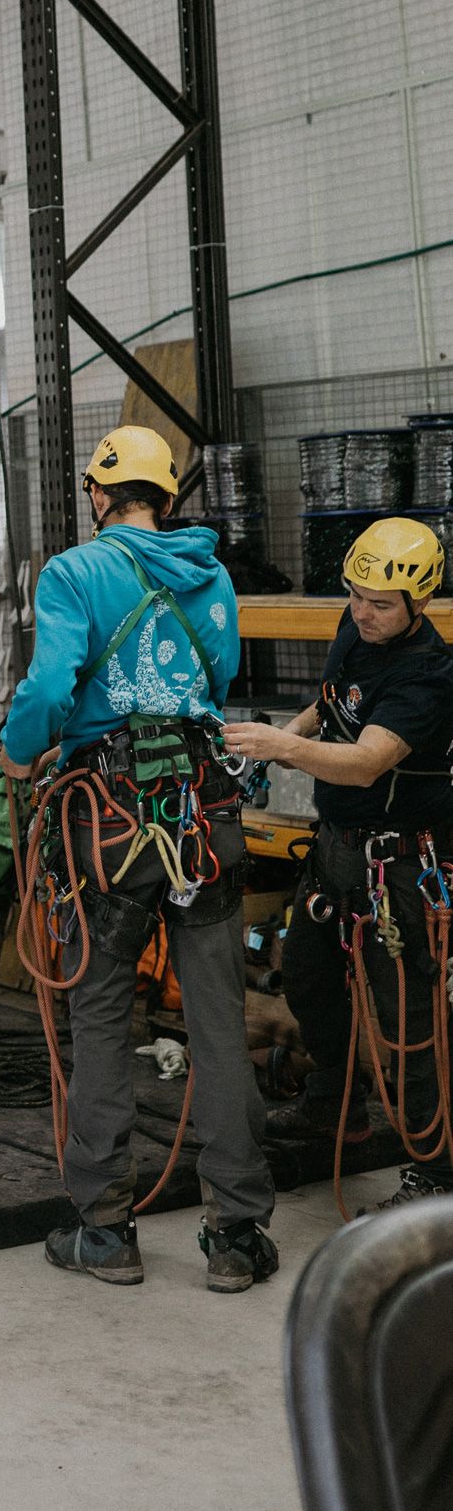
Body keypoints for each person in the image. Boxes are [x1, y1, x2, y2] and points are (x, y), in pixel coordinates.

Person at [0, 425, 277, 1294]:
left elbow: (48, 686)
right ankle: (236, 1234)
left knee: (104, 1020)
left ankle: (105, 1231)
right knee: (218, 1025)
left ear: (99, 494)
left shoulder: (76, 572)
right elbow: (217, 677)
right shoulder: (214, 575)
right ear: (166, 497)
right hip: (201, 813)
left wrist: (17, 751)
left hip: (106, 825)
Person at [229, 517, 453, 1207]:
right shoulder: (356, 632)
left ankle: (436, 1174)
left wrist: (278, 747)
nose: (361, 612)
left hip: (400, 866)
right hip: (337, 852)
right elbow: (331, 709)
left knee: (407, 1021)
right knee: (308, 977)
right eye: (355, 595)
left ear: (420, 602)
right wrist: (274, 738)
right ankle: (336, 1108)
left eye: (380, 603)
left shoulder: (431, 675)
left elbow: (364, 763)